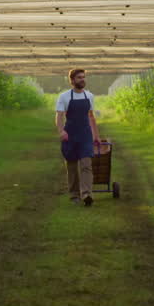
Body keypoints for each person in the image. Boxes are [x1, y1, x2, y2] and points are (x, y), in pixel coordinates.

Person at [55, 68, 101, 206]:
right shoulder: (64, 96)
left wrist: (96, 135)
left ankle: (86, 194)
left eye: (84, 77)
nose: (82, 79)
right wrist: (61, 131)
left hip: (85, 135)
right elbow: (59, 115)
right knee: (72, 166)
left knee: (86, 164)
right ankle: (74, 195)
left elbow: (91, 117)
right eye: (79, 77)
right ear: (72, 80)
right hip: (70, 135)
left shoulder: (89, 96)